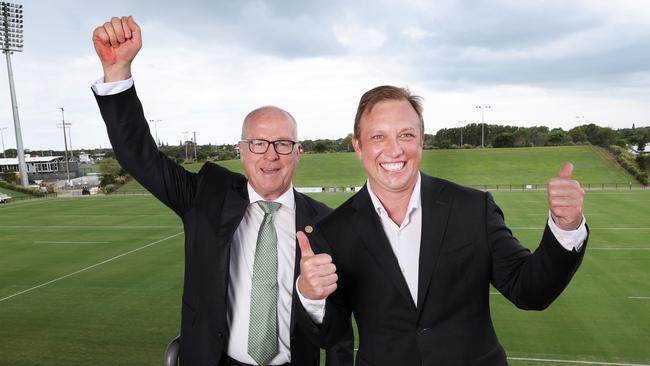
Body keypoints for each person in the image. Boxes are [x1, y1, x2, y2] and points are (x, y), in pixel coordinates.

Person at [91, 16, 352, 366]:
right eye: (258, 143)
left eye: (283, 144)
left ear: (298, 152)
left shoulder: (326, 224)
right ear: (241, 150)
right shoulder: (205, 198)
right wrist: (118, 71)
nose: (271, 155)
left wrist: (314, 301)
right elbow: (140, 157)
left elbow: (338, 336)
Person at [296, 85, 588, 365]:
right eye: (378, 137)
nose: (394, 150)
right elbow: (330, 335)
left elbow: (529, 291)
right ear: (358, 147)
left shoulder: (473, 208)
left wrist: (565, 228)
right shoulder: (333, 231)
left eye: (406, 135)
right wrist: (310, 295)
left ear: (422, 139)